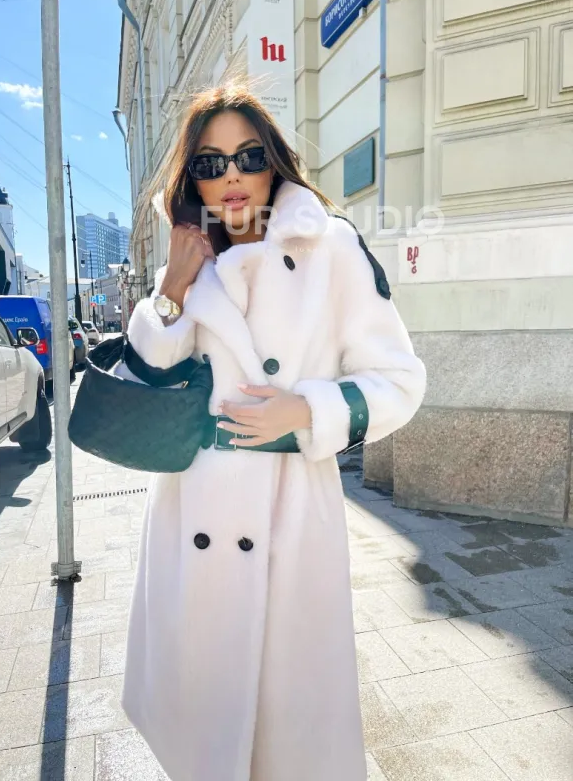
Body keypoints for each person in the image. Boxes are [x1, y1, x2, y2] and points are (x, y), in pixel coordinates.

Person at [119, 82, 426, 781]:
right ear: (193, 179)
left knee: (293, 737)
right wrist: (171, 290)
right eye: (210, 163)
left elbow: (400, 381)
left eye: (248, 156)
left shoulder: (330, 248)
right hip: (190, 519)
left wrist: (307, 411)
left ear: (273, 163)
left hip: (290, 513)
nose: (232, 176)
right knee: (204, 730)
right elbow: (148, 382)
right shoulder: (191, 262)